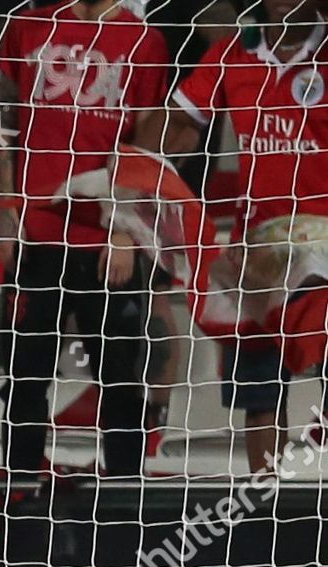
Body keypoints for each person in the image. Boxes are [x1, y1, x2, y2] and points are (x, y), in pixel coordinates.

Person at [138, 0, 328, 473]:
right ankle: (265, 513)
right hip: (257, 253)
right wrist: (132, 170)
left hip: (326, 250)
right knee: (260, 394)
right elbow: (176, 130)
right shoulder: (230, 55)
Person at [0, 0, 169, 479]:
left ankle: (127, 497)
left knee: (120, 378)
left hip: (107, 238)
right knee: (26, 376)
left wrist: (128, 229)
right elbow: (4, 123)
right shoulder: (26, 24)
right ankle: (18, 492)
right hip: (37, 234)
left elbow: (147, 147)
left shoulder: (145, 40)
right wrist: (8, 212)